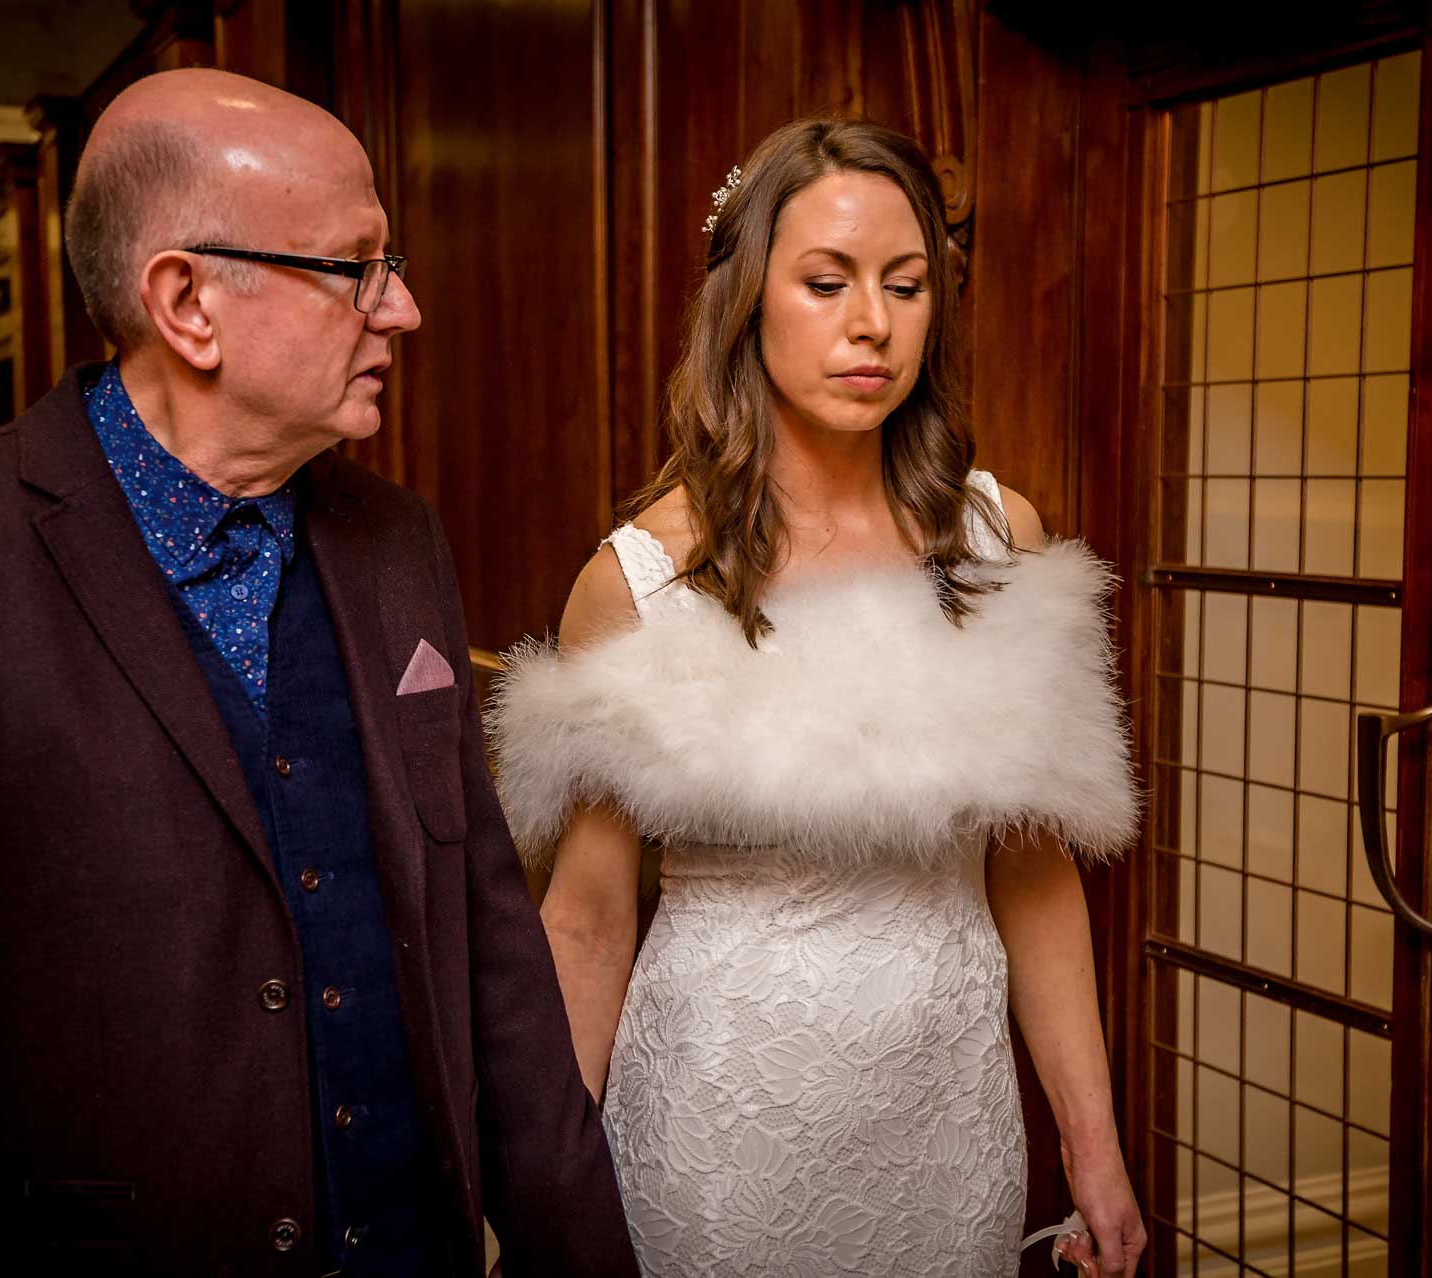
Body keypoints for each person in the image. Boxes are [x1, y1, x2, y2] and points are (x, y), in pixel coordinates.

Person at [0, 68, 634, 1277]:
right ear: (187, 303)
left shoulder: (398, 542)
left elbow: (489, 944)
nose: (403, 311)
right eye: (357, 268)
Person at [489, 118, 1148, 1277]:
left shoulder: (1000, 543)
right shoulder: (641, 581)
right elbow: (586, 920)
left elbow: (1034, 872)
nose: (872, 324)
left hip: (949, 1124)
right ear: (749, 302)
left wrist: (1093, 1150)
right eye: (827, 282)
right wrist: (531, 1206)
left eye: (906, 285)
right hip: (719, 1127)